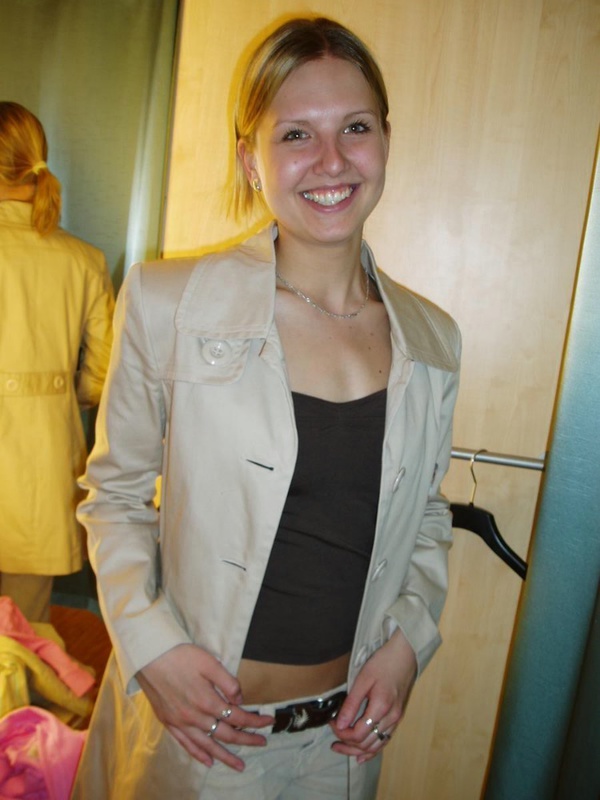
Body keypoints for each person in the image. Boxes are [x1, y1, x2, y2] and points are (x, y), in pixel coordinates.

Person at [72, 16, 461, 800]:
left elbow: (425, 515)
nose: (331, 160)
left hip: (339, 750)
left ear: (386, 140)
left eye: (355, 127)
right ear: (251, 159)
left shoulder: (432, 339)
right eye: (295, 134)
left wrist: (407, 646)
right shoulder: (169, 302)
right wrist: (151, 647)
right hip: (196, 738)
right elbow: (114, 496)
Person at [0, 102, 114, 623]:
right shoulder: (84, 260)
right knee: (24, 626)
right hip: (43, 459)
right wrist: (62, 397)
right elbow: (103, 373)